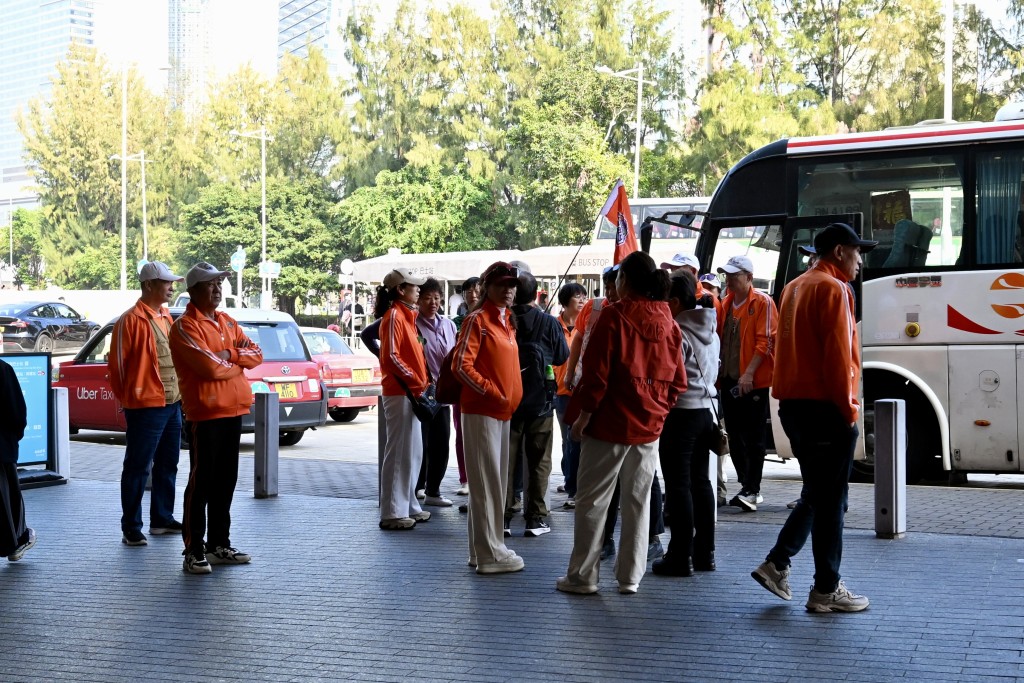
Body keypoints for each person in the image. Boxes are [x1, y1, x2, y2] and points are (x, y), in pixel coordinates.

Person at [751, 222, 876, 613]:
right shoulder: (835, 289)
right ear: (839, 252)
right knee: (827, 497)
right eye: (857, 252)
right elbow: (839, 357)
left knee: (824, 495)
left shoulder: (794, 286)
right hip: (826, 409)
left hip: (794, 407)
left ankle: (806, 576)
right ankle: (808, 578)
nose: (859, 261)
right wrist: (849, 410)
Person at [557, 251, 687, 596]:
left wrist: (583, 417)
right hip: (648, 429)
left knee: (592, 501)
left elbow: (596, 376)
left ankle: (583, 576)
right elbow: (678, 382)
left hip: (608, 424)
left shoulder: (613, 318)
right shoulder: (669, 322)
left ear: (624, 280)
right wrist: (658, 411)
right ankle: (630, 576)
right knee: (638, 502)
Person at [169, 262, 264, 575]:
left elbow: (257, 354)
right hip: (205, 414)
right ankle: (193, 550)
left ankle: (219, 544)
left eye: (220, 283)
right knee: (201, 484)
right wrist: (236, 362)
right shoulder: (185, 326)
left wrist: (232, 356)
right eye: (210, 284)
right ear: (193, 291)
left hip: (233, 411)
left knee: (226, 482)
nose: (217, 289)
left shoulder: (227, 321)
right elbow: (209, 367)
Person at [108, 261, 185, 547]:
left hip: (171, 403)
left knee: (169, 463)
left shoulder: (166, 316)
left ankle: (162, 519)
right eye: (166, 282)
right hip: (145, 407)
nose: (171, 286)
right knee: (138, 466)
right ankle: (131, 526)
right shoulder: (129, 321)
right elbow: (116, 367)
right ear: (149, 285)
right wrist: (131, 400)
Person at [454, 262, 524, 574]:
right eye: (501, 285)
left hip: (500, 411)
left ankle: (482, 550)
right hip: (482, 412)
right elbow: (461, 365)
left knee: (493, 484)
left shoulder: (505, 320)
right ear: (487, 288)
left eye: (512, 285)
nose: (508, 290)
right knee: (486, 485)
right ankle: (490, 554)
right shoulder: (477, 320)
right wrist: (492, 391)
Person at [654, 269, 720, 577]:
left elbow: (669, 377)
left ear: (675, 301)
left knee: (679, 485)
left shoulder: (675, 331)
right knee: (701, 482)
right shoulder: (711, 329)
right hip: (706, 412)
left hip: (680, 414)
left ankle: (680, 555)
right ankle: (704, 552)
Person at [504, 270, 569, 537]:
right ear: (535, 293)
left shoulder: (504, 320)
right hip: (541, 403)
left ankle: (504, 517)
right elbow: (562, 356)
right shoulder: (549, 323)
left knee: (506, 462)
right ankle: (536, 518)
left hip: (508, 403)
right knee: (540, 461)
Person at [717, 254, 778, 512]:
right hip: (729, 380)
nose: (729, 279)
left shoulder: (762, 302)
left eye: (735, 275)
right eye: (728, 275)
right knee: (734, 433)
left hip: (753, 382)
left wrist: (749, 374)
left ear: (749, 277)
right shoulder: (725, 304)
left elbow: (766, 342)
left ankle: (753, 488)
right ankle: (746, 485)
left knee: (753, 436)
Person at [376, 268, 432, 530]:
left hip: (409, 392)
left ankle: (407, 505)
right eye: (414, 285)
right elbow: (391, 357)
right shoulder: (395, 316)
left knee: (411, 452)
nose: (418, 289)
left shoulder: (404, 315)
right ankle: (392, 511)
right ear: (401, 289)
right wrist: (415, 379)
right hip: (401, 392)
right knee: (399, 452)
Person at [414, 278, 458, 507]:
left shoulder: (449, 325)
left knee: (441, 442)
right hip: (421, 393)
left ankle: (433, 490)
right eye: (427, 298)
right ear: (419, 300)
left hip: (443, 393)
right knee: (420, 444)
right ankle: (416, 487)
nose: (433, 302)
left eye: (436, 297)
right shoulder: (413, 323)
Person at [552, 283, 587, 503]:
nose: (582, 300)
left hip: (583, 392)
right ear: (565, 302)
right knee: (568, 439)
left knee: (578, 439)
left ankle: (573, 482)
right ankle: (570, 481)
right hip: (562, 391)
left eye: (584, 296)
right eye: (577, 297)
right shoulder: (554, 325)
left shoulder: (587, 326)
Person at [0, 358, 34, 562]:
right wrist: (13, 438)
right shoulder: (3, 370)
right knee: (8, 500)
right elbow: (17, 414)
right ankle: (16, 543)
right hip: (1, 450)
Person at [451, 276, 481, 496]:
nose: (473, 294)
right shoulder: (456, 322)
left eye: (477, 290)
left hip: (482, 385)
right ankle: (465, 478)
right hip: (461, 385)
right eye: (468, 290)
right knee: (461, 433)